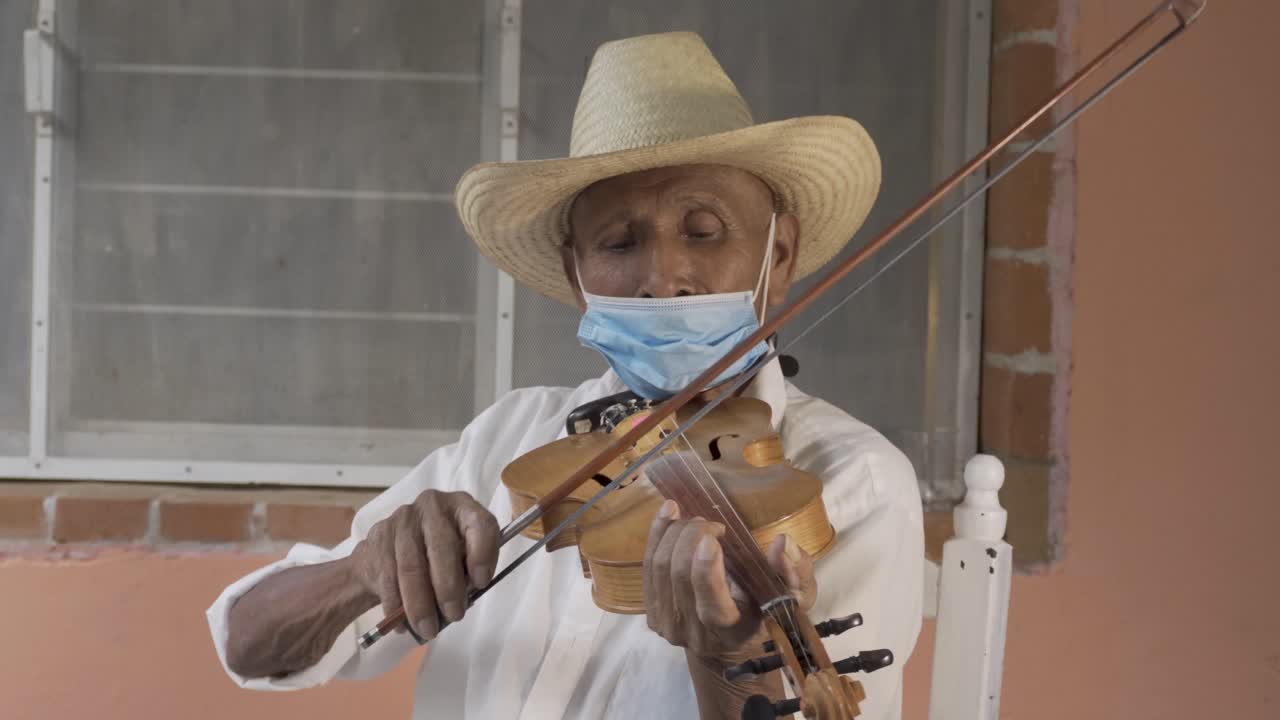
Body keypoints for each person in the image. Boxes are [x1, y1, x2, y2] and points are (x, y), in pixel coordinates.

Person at [207, 31, 922, 720]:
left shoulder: (851, 481)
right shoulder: (512, 439)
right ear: (578, 278)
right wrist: (360, 571)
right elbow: (247, 644)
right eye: (619, 242)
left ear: (781, 255)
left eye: (703, 231)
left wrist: (725, 659)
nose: (662, 277)